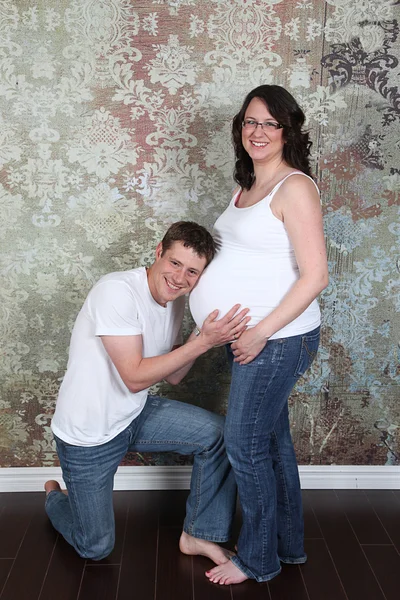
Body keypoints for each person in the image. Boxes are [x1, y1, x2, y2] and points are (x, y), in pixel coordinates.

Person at [44, 221, 250, 563]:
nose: (180, 278)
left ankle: (198, 535)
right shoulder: (116, 291)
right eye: (174, 263)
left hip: (133, 415)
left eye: (192, 272)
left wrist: (204, 333)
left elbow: (173, 376)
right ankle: (54, 496)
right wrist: (203, 341)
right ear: (158, 252)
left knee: (220, 435)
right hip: (88, 436)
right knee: (95, 547)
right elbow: (135, 378)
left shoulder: (175, 301)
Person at [189, 85, 329, 584]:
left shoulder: (295, 187)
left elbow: (316, 276)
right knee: (272, 446)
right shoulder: (245, 188)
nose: (258, 131)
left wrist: (260, 333)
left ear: (289, 131)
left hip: (277, 340)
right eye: (250, 121)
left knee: (244, 447)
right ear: (240, 128)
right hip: (253, 339)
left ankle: (257, 559)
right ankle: (288, 547)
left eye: (270, 123)